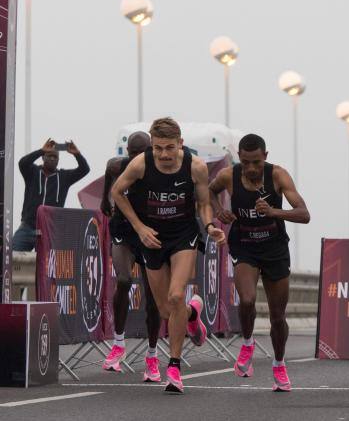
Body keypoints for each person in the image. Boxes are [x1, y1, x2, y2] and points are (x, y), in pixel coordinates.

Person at [111, 118, 226, 394]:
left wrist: (210, 226)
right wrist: (139, 228)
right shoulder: (140, 164)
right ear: (152, 145)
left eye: (170, 148)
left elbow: (202, 203)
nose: (164, 154)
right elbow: (117, 192)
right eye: (159, 147)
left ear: (181, 145)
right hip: (152, 237)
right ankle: (191, 315)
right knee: (166, 310)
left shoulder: (195, 167)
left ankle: (174, 367)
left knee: (176, 296)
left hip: (183, 235)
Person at [209, 133, 309, 392]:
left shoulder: (278, 176)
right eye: (246, 162)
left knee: (277, 316)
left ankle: (278, 363)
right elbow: (208, 192)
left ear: (265, 156)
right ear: (239, 158)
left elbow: (304, 214)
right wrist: (219, 210)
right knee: (247, 300)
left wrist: (274, 211)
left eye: (256, 162)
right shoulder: (228, 176)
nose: (251, 168)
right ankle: (248, 342)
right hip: (245, 247)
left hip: (275, 248)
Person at [100, 131, 163, 382]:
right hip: (124, 231)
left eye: (142, 153)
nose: (137, 158)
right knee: (124, 280)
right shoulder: (119, 165)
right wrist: (106, 198)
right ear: (127, 154)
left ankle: (152, 354)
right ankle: (118, 342)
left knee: (152, 298)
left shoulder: (160, 168)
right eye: (133, 153)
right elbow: (109, 168)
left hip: (149, 233)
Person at [13, 138, 90, 251]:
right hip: (27, 227)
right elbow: (22, 163)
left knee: (48, 265)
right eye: (50, 156)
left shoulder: (64, 177)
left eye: (55, 157)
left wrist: (77, 154)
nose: (53, 159)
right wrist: (41, 150)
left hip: (50, 231)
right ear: (43, 157)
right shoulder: (32, 172)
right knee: (11, 257)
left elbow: (85, 169)